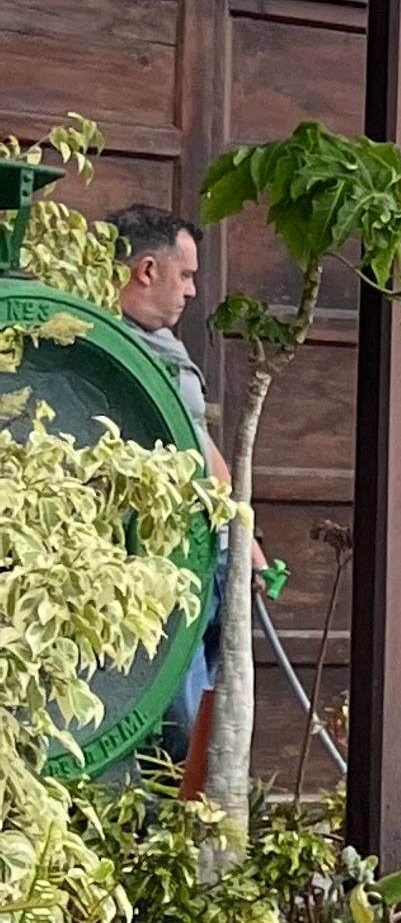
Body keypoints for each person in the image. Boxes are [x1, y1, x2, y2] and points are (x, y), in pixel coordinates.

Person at [107, 207, 220, 758]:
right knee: (183, 705)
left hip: (214, 546)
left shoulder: (166, 345)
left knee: (215, 702)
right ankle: (188, 804)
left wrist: (246, 542)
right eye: (187, 275)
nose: (193, 291)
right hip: (167, 557)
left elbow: (201, 440)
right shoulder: (108, 348)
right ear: (147, 270)